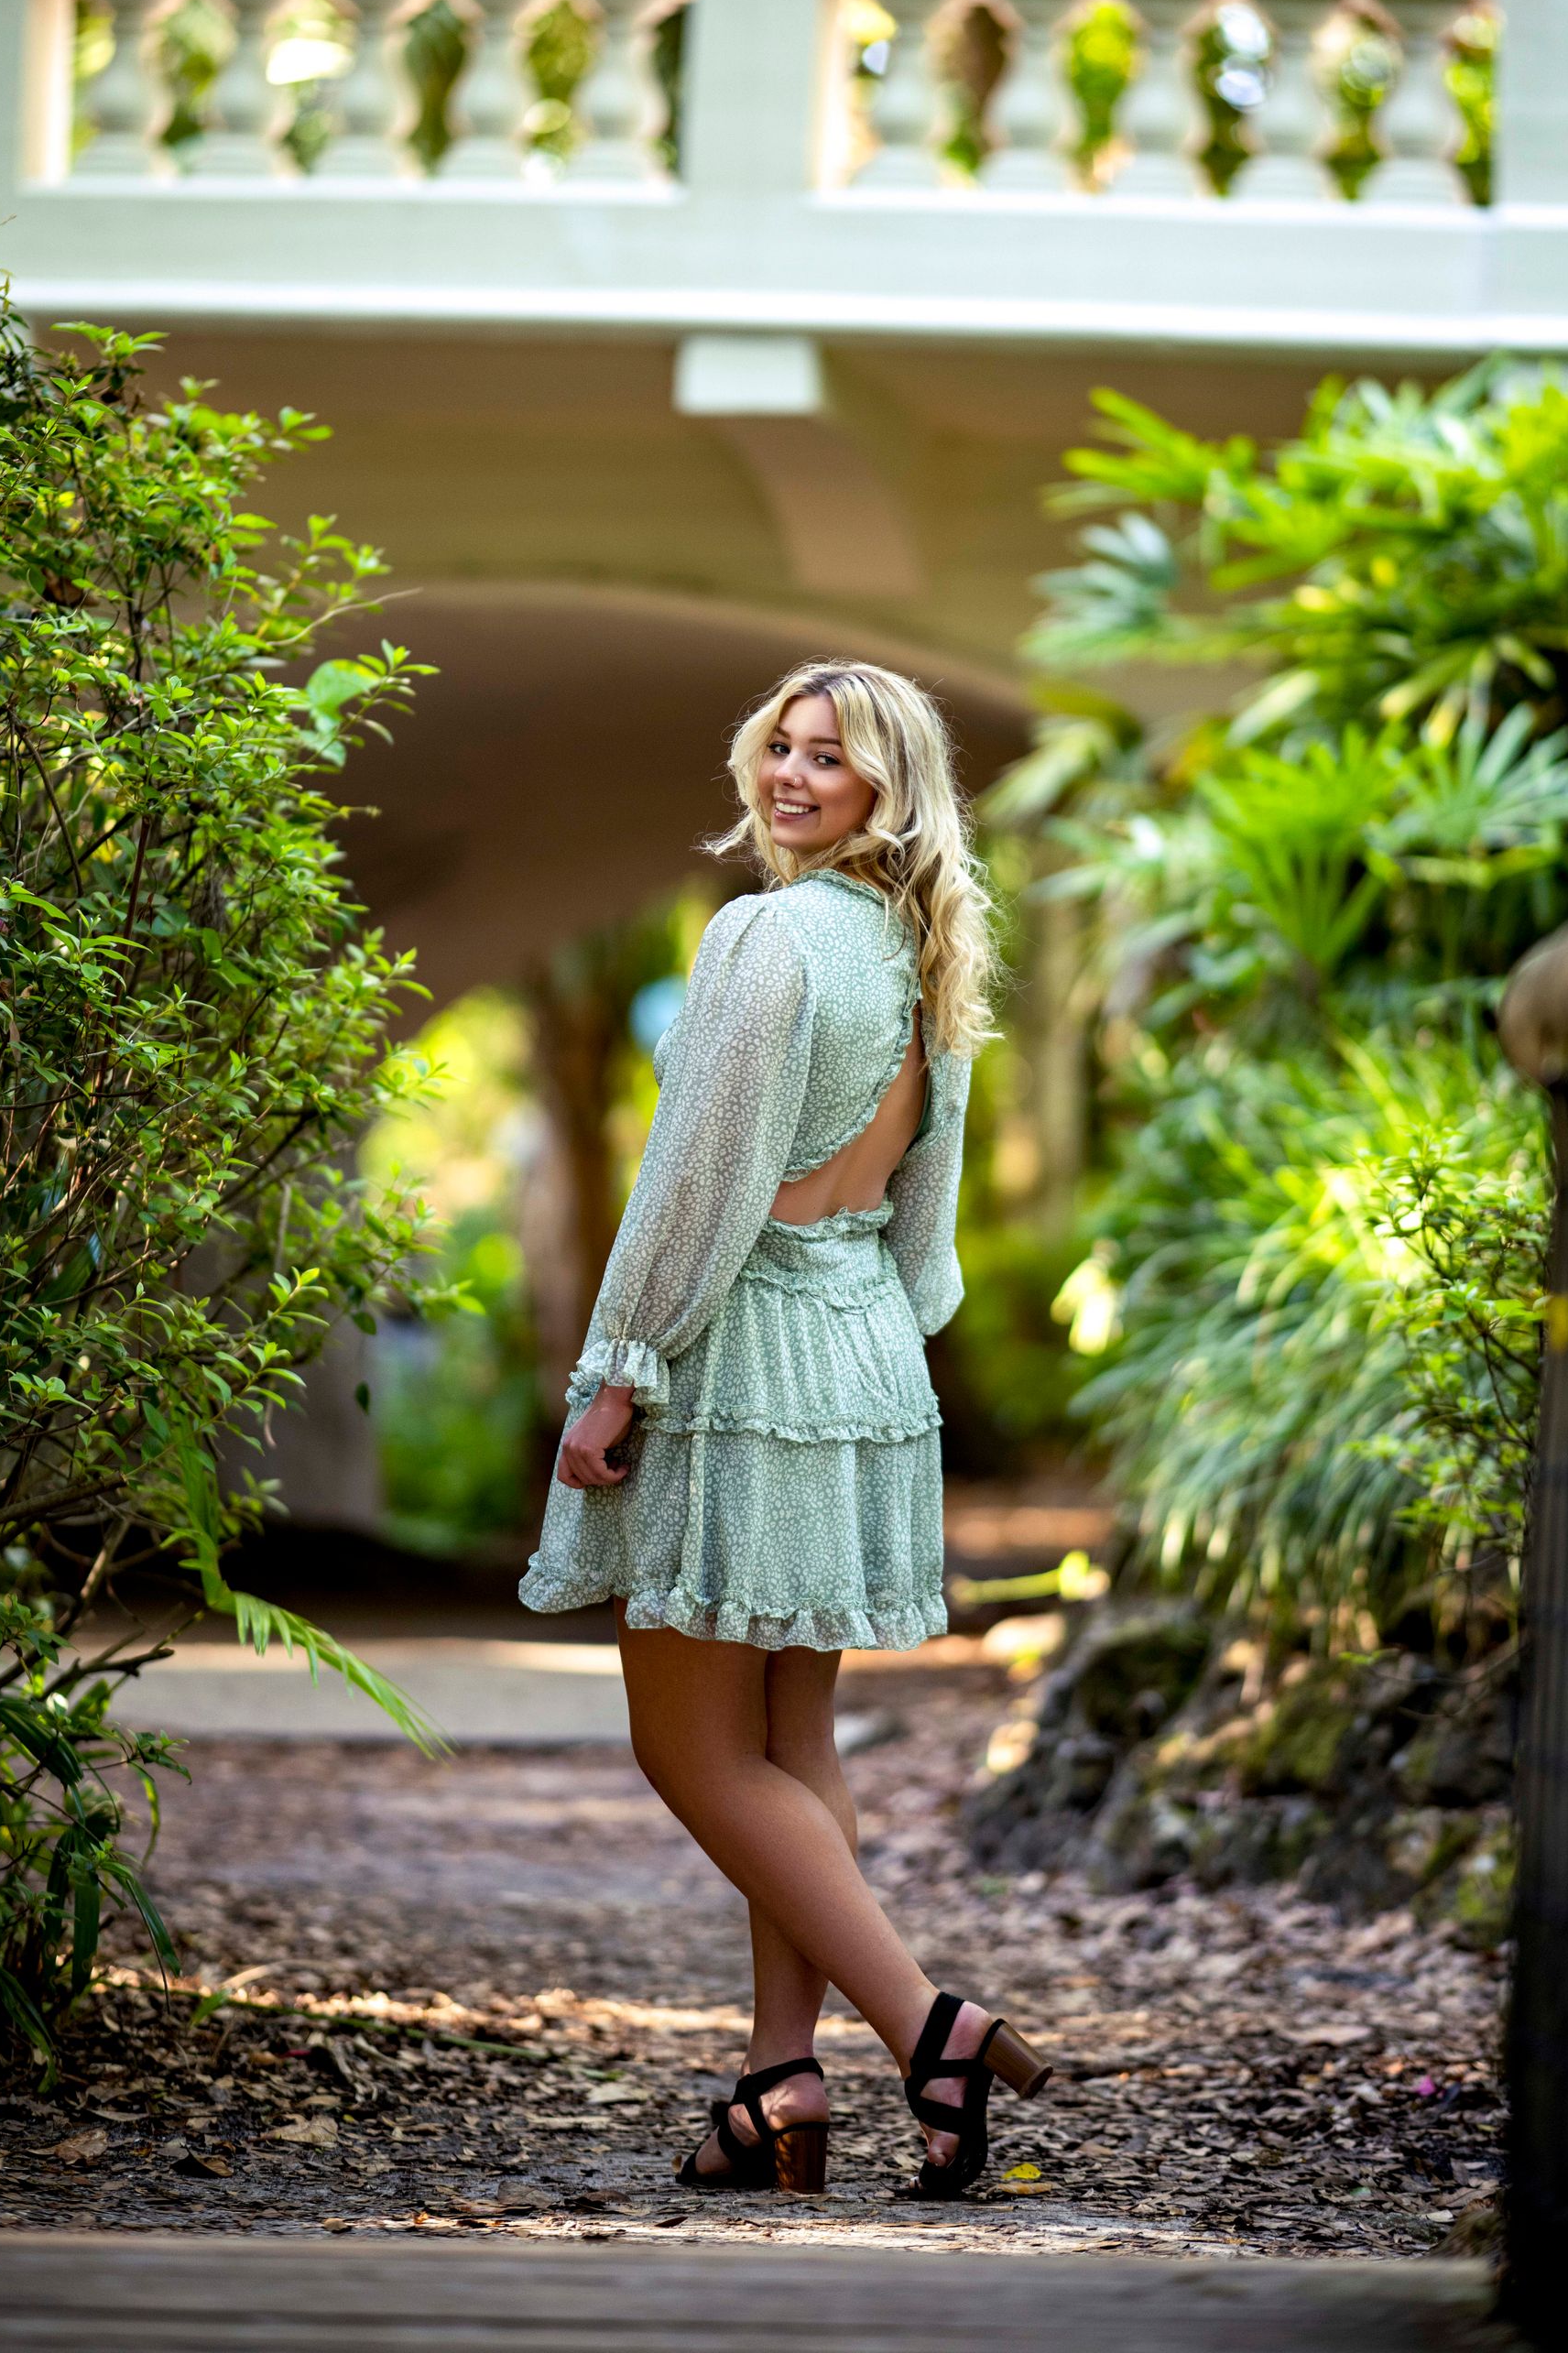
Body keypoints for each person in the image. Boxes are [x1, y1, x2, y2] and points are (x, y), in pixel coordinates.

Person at [519, 660, 1050, 2199]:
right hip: (863, 1355)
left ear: (892, 789)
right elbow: (923, 1222)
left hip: (743, 1353)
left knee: (686, 1747)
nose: (793, 778)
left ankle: (923, 2025)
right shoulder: (923, 949)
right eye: (782, 749)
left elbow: (699, 1179)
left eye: (834, 759)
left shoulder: (763, 938)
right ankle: (778, 2084)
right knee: (789, 1739)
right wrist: (876, 1332)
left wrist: (619, 1367)